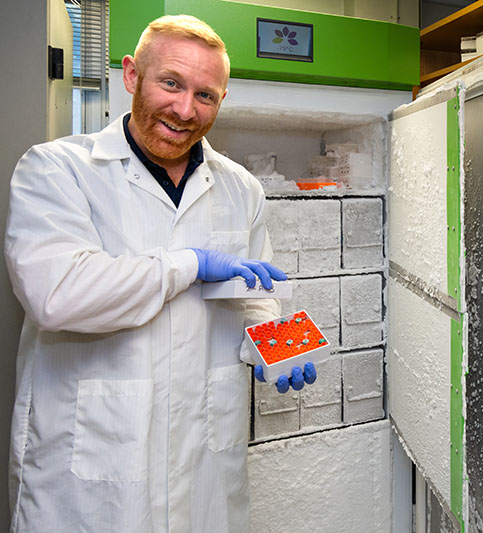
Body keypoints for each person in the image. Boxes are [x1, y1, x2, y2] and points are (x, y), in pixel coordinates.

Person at [4, 15, 315, 532]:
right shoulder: (58, 170)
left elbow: (256, 293)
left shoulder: (241, 189)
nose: (185, 109)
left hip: (203, 463)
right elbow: (56, 294)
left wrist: (276, 345)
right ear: (132, 76)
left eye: (206, 95)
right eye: (170, 83)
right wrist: (189, 265)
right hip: (92, 471)